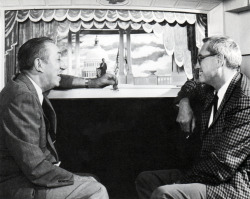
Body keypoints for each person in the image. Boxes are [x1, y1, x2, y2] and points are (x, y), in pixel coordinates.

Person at [0, 37, 117, 199]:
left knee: (91, 180)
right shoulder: (22, 97)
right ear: (39, 65)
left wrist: (93, 82)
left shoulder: (25, 84)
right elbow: (34, 167)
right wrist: (76, 179)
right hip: (17, 185)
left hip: (27, 178)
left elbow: (61, 80)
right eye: (58, 59)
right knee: (96, 189)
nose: (63, 65)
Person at [135, 36, 250, 199]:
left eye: (200, 59)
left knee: (164, 193)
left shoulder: (245, 100)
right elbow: (191, 84)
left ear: (219, 60)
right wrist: (184, 104)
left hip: (233, 185)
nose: (196, 65)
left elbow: (222, 164)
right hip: (210, 175)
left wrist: (180, 183)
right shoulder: (212, 89)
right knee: (147, 180)